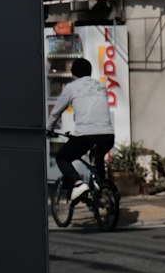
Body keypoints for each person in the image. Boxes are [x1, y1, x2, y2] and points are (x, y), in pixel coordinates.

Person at [48, 57, 116, 203]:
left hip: (86, 136)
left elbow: (55, 112)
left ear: (73, 73)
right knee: (97, 158)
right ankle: (101, 188)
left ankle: (78, 184)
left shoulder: (72, 87)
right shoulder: (101, 86)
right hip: (108, 135)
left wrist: (48, 129)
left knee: (62, 157)